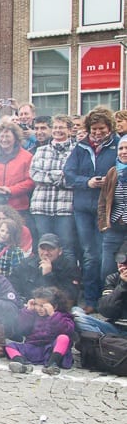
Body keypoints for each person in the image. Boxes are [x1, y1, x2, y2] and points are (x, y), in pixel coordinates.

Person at [64, 106, 119, 311]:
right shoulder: (80, 147)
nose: (97, 133)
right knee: (89, 253)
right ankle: (90, 298)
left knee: (106, 256)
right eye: (94, 129)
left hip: (107, 208)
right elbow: (69, 174)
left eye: (101, 129)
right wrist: (87, 182)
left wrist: (110, 180)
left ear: (109, 128)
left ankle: (108, 300)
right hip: (83, 208)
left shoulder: (118, 145)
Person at [29, 115, 77, 260]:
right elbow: (34, 174)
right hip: (41, 206)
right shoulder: (41, 150)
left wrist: (49, 177)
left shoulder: (77, 151)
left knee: (66, 247)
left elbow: (74, 179)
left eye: (61, 127)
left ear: (69, 130)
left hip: (65, 208)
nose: (57, 130)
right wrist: (60, 176)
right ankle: (44, 279)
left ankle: (67, 282)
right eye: (55, 127)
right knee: (43, 247)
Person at [6, 287, 75, 376]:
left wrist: (53, 315)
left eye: (42, 305)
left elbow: (67, 330)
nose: (39, 308)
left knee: (64, 338)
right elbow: (22, 329)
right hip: (34, 347)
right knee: (9, 346)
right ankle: (22, 364)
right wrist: (28, 311)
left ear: (54, 306)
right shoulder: (33, 313)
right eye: (37, 304)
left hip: (52, 350)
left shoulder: (63, 316)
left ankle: (51, 365)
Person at [9, 233, 81, 309]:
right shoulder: (26, 264)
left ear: (60, 251)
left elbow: (70, 297)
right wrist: (22, 303)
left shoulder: (69, 267)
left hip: (57, 311)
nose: (46, 253)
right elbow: (13, 286)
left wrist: (48, 275)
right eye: (43, 249)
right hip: (28, 308)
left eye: (50, 249)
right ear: (38, 249)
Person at [0, 122, 35, 220]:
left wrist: (12, 190)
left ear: (15, 138)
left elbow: (30, 181)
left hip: (18, 206)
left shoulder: (27, 157)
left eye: (8, 136)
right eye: (1, 136)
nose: (4, 139)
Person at [97, 136, 127, 288]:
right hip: (113, 227)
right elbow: (103, 201)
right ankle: (109, 302)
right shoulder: (113, 172)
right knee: (107, 269)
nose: (124, 152)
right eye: (121, 148)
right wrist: (103, 224)